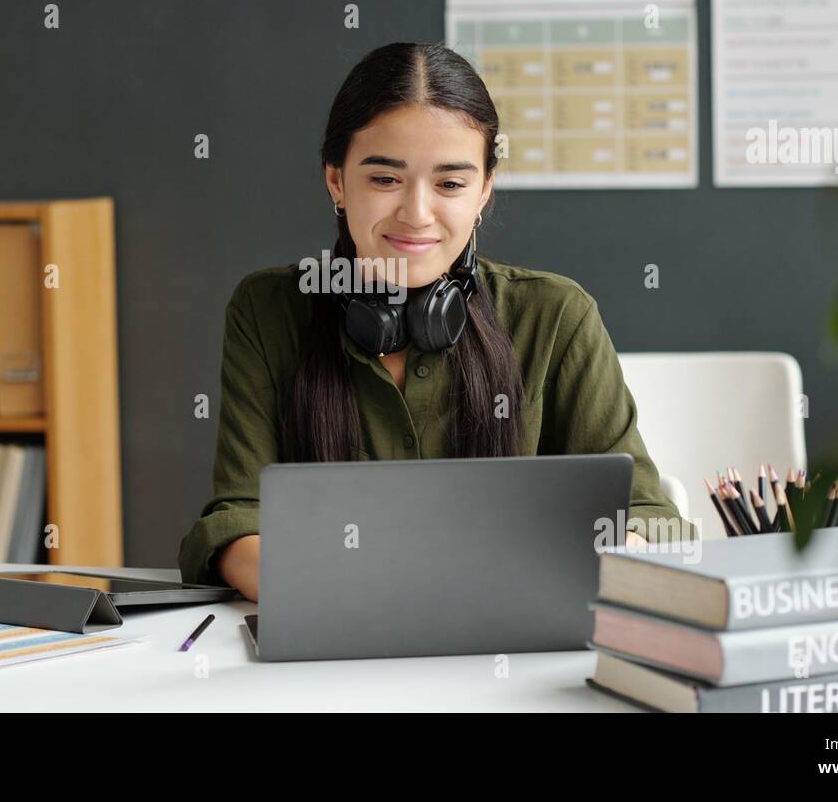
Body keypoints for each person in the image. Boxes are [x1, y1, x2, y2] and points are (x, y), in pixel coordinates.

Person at [179, 42, 691, 601]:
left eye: (450, 183)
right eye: (384, 179)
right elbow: (237, 523)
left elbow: (648, 517)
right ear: (336, 180)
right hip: (333, 651)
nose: (416, 214)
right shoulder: (268, 310)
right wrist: (357, 595)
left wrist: (600, 562)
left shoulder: (557, 315)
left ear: (484, 190)